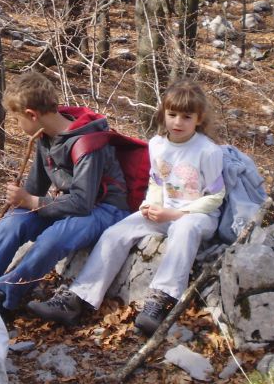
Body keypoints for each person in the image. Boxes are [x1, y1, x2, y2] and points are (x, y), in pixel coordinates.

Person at [27, 80, 224, 335]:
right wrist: (150, 204)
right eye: (172, 115)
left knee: (184, 230)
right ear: (163, 114)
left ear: (198, 119)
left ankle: (161, 299)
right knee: (115, 233)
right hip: (164, 209)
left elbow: (217, 195)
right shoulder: (157, 144)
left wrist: (176, 214)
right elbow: (156, 180)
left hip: (198, 214)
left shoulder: (208, 151)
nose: (178, 122)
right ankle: (77, 299)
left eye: (186, 117)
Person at [0, 71, 130, 316]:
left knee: (53, 238)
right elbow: (35, 188)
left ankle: (5, 295)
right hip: (72, 204)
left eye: (17, 120)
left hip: (105, 209)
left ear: (32, 114)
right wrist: (20, 199)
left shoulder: (86, 143)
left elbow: (83, 203)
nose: (18, 127)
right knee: (14, 223)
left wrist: (30, 200)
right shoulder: (45, 137)